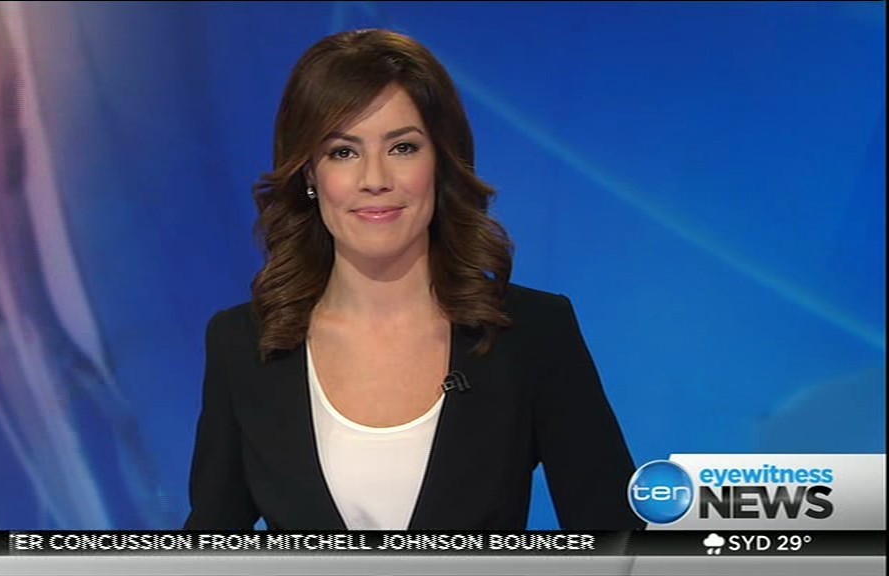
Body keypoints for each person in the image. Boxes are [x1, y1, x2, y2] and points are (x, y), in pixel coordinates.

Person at [185, 29, 642, 531]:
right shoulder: (244, 344)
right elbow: (208, 547)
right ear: (309, 173)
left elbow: (620, 540)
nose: (375, 179)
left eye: (402, 148)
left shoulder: (533, 333)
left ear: (440, 161)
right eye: (343, 152)